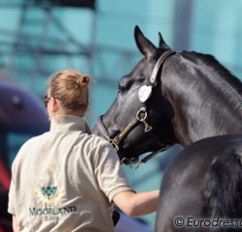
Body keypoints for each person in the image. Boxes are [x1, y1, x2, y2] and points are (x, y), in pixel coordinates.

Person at [8, 70, 159, 232]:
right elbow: (131, 206)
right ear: (85, 106)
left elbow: (17, 224)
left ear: (52, 103)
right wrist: (174, 191)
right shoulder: (96, 148)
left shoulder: (26, 151)